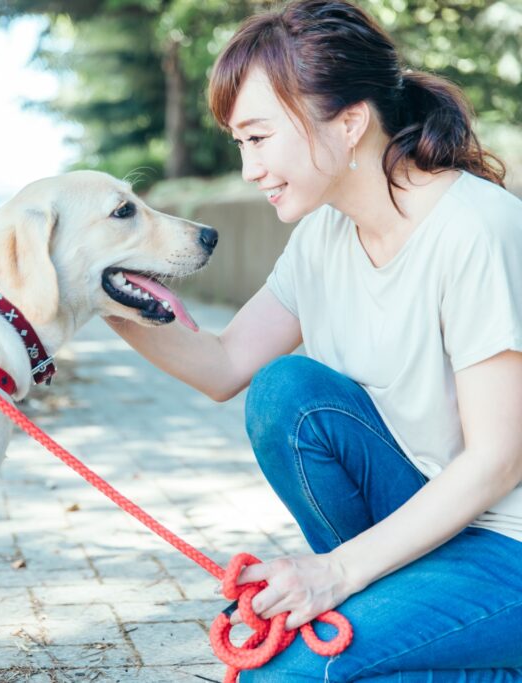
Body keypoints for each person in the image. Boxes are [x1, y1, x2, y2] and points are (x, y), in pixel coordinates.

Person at [106, 0, 522, 680]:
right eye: (240, 144)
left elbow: (499, 461)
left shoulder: (475, 228)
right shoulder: (323, 237)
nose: (248, 169)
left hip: (510, 549)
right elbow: (223, 364)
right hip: (433, 520)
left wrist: (332, 574)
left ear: (351, 122)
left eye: (260, 138)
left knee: (288, 674)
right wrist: (105, 294)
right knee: (285, 392)